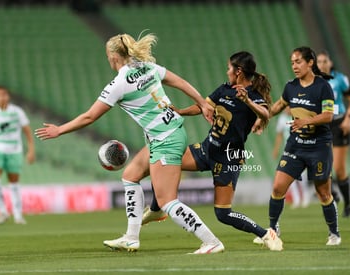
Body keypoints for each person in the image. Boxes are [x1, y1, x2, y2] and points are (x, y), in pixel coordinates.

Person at [35, 32, 225, 254]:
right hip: (168, 133)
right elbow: (179, 82)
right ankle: (131, 237)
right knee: (130, 176)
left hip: (166, 140)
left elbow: (89, 116)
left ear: (114, 57)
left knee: (167, 201)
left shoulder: (120, 83)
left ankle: (211, 241)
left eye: (108, 56)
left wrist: (60, 130)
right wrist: (201, 103)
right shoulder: (147, 67)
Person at [112, 51, 284, 251]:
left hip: (228, 159)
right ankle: (158, 209)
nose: (226, 71)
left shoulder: (254, 95)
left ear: (238, 72)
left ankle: (265, 233)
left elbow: (265, 114)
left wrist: (247, 101)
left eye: (229, 68)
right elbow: (204, 106)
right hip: (206, 149)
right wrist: (181, 111)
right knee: (162, 162)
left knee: (223, 213)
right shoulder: (224, 89)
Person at [260, 46, 340, 246]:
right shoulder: (291, 86)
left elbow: (328, 115)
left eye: (298, 62)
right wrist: (263, 117)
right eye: (292, 62)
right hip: (296, 146)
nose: (294, 66)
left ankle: (334, 233)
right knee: (278, 187)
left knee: (324, 193)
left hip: (319, 146)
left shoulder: (323, 86)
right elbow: (279, 105)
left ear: (310, 62)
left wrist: (306, 121)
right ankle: (273, 229)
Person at [0, 86, 35, 225]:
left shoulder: (17, 112)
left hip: (14, 150)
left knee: (14, 183)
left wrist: (31, 150)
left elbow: (27, 131)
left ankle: (18, 215)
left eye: (4, 95)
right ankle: (3, 211)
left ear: (8, 96)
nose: (1, 97)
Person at [317, 50, 350, 218]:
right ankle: (333, 192)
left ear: (330, 63)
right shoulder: (313, 81)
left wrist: (348, 119)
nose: (322, 64)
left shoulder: (340, 79)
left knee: (339, 168)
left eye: (325, 61)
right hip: (321, 124)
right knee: (319, 165)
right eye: (319, 61)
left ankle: (348, 204)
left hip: (339, 122)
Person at [272, 107, 309, 209]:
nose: (286, 109)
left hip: (300, 149)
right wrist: (276, 150)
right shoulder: (282, 119)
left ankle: (305, 197)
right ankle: (296, 199)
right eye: (284, 107)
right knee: (287, 174)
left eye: (288, 107)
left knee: (302, 176)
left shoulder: (298, 117)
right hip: (288, 150)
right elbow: (279, 135)